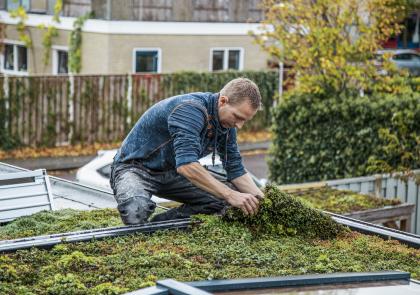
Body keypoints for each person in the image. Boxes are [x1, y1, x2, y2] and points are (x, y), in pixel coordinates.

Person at [110, 77, 264, 224]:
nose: (240, 125)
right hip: (134, 168)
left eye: (244, 120)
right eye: (237, 117)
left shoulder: (226, 125)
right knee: (135, 209)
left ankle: (159, 227)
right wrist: (230, 195)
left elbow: (235, 169)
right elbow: (187, 165)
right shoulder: (189, 110)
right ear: (223, 101)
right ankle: (143, 225)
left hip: (171, 172)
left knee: (221, 201)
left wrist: (265, 203)